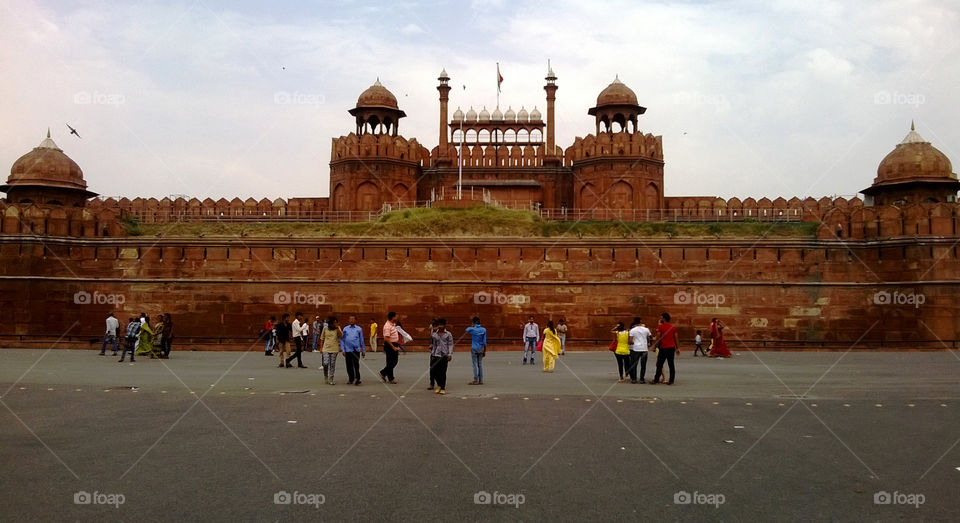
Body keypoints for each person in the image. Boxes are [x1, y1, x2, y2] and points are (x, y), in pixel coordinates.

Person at [652, 312, 679, 385]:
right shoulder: (673, 327)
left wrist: (654, 345)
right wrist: (677, 348)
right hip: (671, 348)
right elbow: (676, 338)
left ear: (664, 318)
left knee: (660, 364)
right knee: (671, 364)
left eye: (661, 317)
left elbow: (658, 337)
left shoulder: (660, 327)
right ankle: (671, 380)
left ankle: (656, 379)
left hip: (663, 347)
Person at [429, 318, 454, 395]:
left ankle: (442, 387)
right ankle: (439, 384)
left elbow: (450, 344)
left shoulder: (448, 334)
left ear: (444, 325)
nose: (440, 326)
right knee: (435, 371)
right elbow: (434, 345)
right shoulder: (434, 334)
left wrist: (450, 354)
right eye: (439, 325)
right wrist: (432, 354)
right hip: (436, 354)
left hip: (444, 355)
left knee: (442, 372)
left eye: (442, 325)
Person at [340, 315, 365, 386]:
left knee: (356, 364)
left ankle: (357, 378)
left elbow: (361, 340)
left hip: (356, 349)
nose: (351, 321)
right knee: (349, 365)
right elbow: (342, 340)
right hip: (347, 350)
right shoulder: (345, 329)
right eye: (350, 319)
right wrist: (343, 349)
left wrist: (363, 350)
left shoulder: (359, 329)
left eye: (352, 319)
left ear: (355, 320)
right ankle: (351, 378)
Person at [318, 316, 342, 384]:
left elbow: (341, 336)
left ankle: (331, 379)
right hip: (326, 348)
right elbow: (321, 338)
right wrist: (321, 348)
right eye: (334, 323)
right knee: (325, 363)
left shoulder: (337, 328)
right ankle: (326, 375)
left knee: (332, 364)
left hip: (334, 349)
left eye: (336, 323)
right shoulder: (325, 328)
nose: (335, 324)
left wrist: (337, 328)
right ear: (331, 323)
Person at [628, 317, 651, 383]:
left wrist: (634, 343)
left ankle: (634, 379)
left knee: (634, 364)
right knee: (643, 365)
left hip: (636, 348)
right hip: (644, 348)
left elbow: (630, 341)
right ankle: (642, 379)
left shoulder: (632, 330)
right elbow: (649, 337)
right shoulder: (646, 329)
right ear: (641, 321)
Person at [465, 317, 487, 385]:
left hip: (474, 348)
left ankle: (475, 379)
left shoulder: (472, 329)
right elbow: (485, 342)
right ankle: (481, 380)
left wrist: (472, 326)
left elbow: (466, 330)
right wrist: (484, 351)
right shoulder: (483, 330)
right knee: (480, 364)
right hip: (480, 348)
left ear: (473, 322)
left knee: (474, 364)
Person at [379, 312, 400, 384]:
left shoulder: (393, 325)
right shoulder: (387, 326)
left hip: (394, 344)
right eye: (396, 316)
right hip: (390, 345)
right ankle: (390, 378)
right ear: (392, 317)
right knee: (391, 362)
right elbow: (386, 338)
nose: (397, 318)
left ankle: (384, 373)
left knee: (394, 361)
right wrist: (393, 347)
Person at [427, 318, 440, 391]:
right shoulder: (433, 332)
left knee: (439, 369)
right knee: (432, 368)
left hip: (440, 353)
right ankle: (432, 383)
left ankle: (440, 384)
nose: (434, 328)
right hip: (433, 352)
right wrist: (431, 346)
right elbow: (432, 342)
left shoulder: (442, 333)